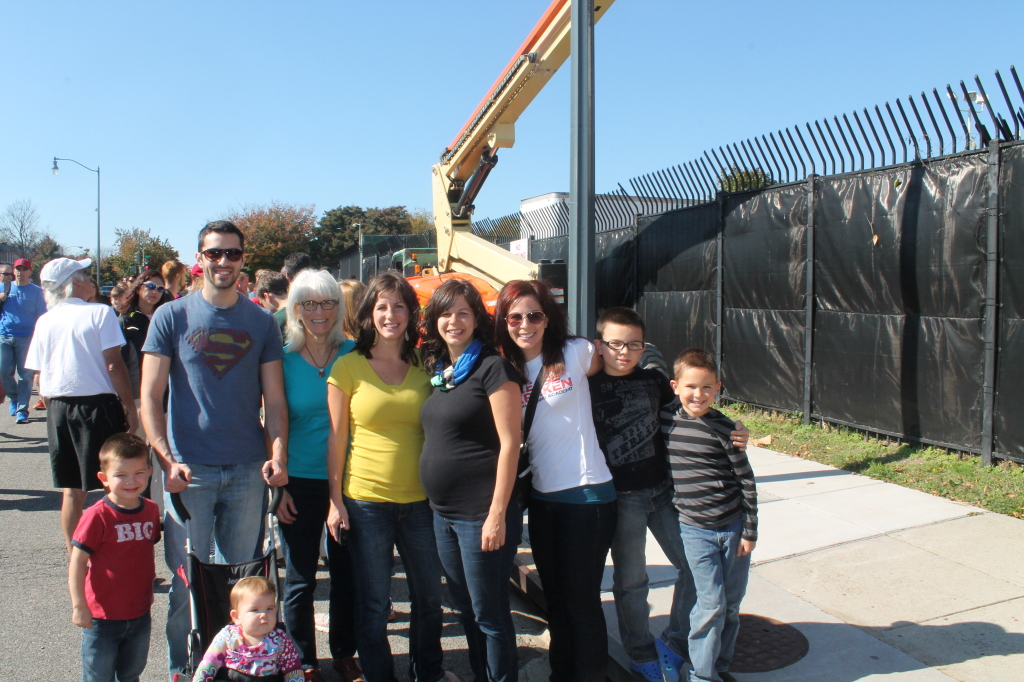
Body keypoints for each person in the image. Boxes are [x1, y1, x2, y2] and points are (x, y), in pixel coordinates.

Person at [140, 220, 288, 677]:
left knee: (244, 586)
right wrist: (166, 462)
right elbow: (149, 396)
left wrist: (277, 455)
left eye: (232, 254)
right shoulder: (172, 316)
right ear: (198, 259)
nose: (223, 262)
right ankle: (182, 672)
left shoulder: (261, 322)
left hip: (247, 471)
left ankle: (240, 670)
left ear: (245, 260)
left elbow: (275, 401)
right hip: (190, 474)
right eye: (214, 253)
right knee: (186, 588)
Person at [592, 308, 749, 681]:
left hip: (664, 493)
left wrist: (734, 428)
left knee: (695, 570)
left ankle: (675, 642)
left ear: (643, 346)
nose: (623, 352)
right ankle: (639, 649)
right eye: (615, 344)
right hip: (623, 498)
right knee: (631, 581)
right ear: (600, 346)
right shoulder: (587, 386)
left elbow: (695, 405)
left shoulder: (655, 382)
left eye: (633, 344)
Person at [326, 271, 456, 682]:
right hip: (366, 502)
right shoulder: (346, 367)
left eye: (399, 306)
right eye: (382, 306)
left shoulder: (427, 363)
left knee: (429, 600)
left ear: (411, 313)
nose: (391, 314)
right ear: (368, 314)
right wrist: (335, 500)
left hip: (421, 502)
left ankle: (428, 673)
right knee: (373, 603)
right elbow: (336, 439)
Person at [494, 279, 614, 682]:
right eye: (515, 316)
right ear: (503, 321)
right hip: (543, 500)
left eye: (534, 315)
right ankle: (562, 673)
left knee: (582, 602)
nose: (525, 324)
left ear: (548, 319)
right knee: (558, 600)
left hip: (587, 494)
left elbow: (625, 366)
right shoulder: (503, 368)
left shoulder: (575, 352)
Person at [419, 279, 522, 682]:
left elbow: (511, 444)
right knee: (464, 607)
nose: (453, 321)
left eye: (463, 312)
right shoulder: (442, 371)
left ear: (477, 319)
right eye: (445, 313)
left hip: (481, 515)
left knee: (490, 613)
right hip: (443, 515)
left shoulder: (494, 368)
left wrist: (496, 515)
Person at [277, 269, 362, 682]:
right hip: (298, 482)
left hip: (348, 480)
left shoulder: (355, 353)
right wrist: (277, 486)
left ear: (339, 306)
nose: (319, 311)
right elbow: (270, 423)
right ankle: (302, 661)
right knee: (299, 578)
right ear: (295, 309)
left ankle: (345, 652)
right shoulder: (282, 359)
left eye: (327, 302)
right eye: (308, 303)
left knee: (347, 574)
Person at [26, 257, 138, 555]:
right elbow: (115, 365)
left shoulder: (45, 320)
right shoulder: (100, 313)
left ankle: (77, 558)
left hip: (59, 406)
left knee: (72, 490)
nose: (91, 280)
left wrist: (52, 404)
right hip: (97, 405)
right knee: (113, 485)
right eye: (86, 275)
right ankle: (116, 557)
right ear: (74, 282)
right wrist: (129, 406)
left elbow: (39, 373)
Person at [661, 349, 757, 682]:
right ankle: (700, 674)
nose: (697, 395)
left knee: (731, 603)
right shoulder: (665, 420)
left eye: (706, 388)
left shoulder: (727, 429)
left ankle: (721, 665)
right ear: (675, 386)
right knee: (711, 602)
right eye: (689, 387)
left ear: (717, 387)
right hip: (694, 529)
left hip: (733, 528)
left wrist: (749, 531)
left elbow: (746, 481)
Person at [69, 433, 160, 682]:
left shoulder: (151, 510)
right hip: (102, 617)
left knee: (131, 673)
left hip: (139, 612)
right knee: (98, 675)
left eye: (139, 473)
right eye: (120, 475)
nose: (131, 481)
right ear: (104, 479)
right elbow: (77, 562)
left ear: (150, 472)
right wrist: (79, 606)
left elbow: (144, 554)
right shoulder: (97, 515)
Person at [192, 577, 304, 682]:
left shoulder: (280, 639)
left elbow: (293, 670)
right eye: (255, 610)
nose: (264, 615)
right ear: (236, 617)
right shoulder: (227, 636)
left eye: (269, 609)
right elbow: (209, 663)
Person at [0, 257, 47, 424]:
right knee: (3, 371)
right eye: (18, 269)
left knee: (25, 376)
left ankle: (22, 410)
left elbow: (42, 316)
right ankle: (13, 397)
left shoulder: (37, 292)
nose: (20, 272)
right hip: (4, 335)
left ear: (30, 272)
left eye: (24, 269)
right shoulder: (4, 288)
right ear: (13, 271)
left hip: (27, 337)